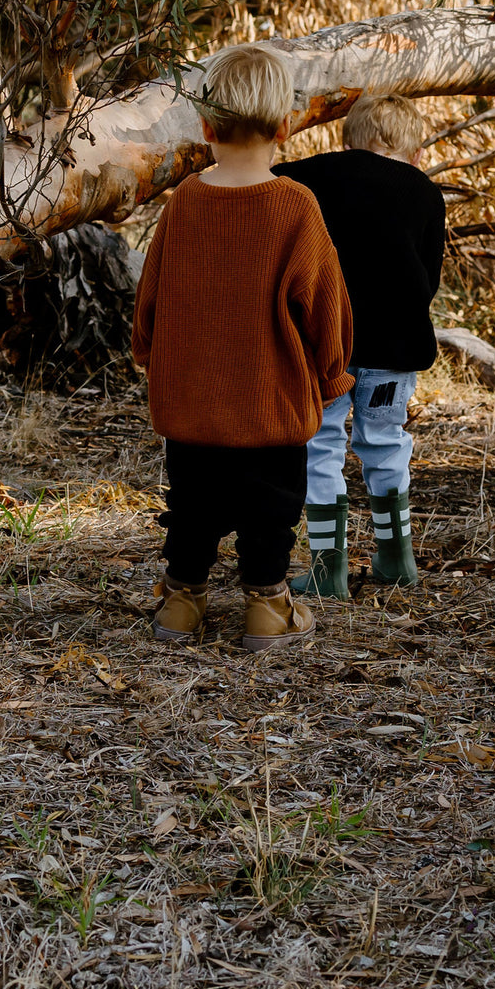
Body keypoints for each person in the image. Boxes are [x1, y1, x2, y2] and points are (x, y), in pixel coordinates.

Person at [131, 45, 354, 650]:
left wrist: (147, 350)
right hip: (270, 401)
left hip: (194, 402)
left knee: (192, 505)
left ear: (204, 128)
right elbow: (325, 304)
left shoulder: (185, 204)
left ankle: (181, 601)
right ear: (286, 126)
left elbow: (151, 291)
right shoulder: (296, 207)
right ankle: (267, 606)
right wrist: (333, 378)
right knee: (271, 509)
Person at [280, 94, 445, 597]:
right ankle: (397, 559)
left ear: (346, 140)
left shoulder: (310, 177)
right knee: (384, 440)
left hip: (326, 345)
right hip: (394, 349)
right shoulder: (425, 193)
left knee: (320, 442)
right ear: (414, 151)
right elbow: (429, 277)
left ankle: (329, 568)